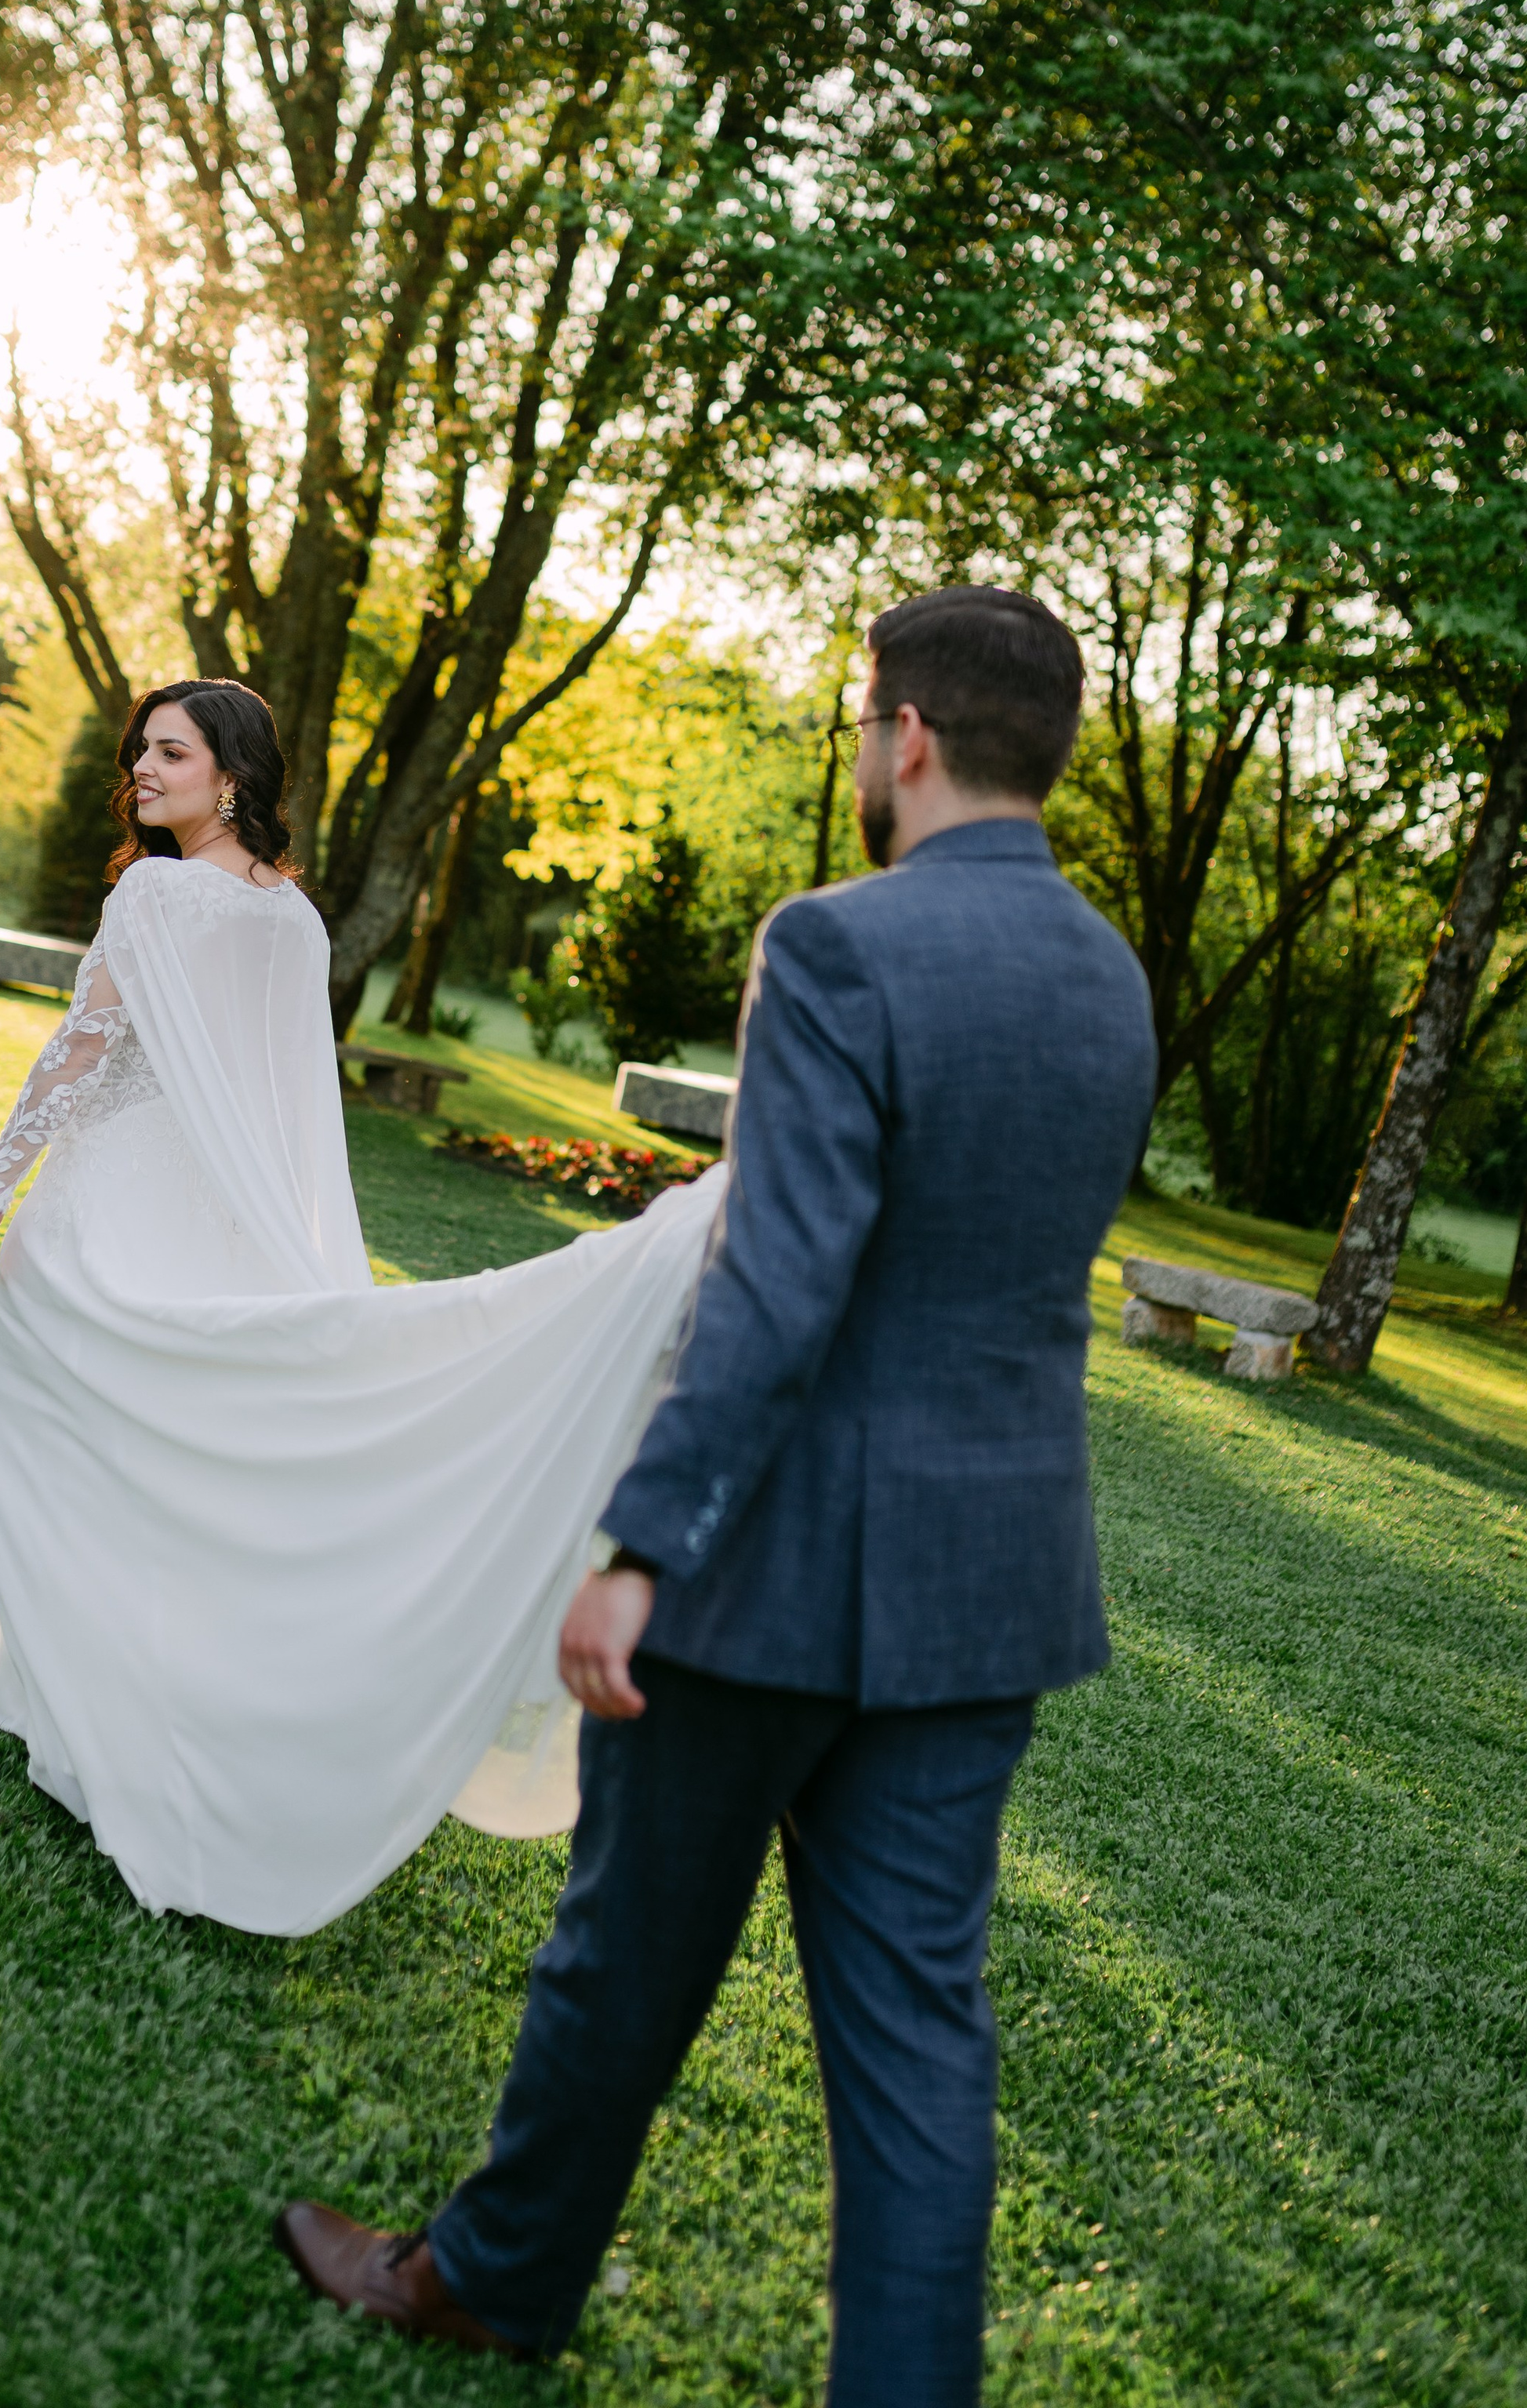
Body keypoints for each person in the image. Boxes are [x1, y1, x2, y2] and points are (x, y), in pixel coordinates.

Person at [277, 587, 1158, 2405]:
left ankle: (494, 2280)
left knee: (620, 1968)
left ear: (903, 735)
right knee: (919, 2041)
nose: (859, 757)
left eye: (857, 726)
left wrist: (640, 1545)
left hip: (760, 1573)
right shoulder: (1106, 976)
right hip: (986, 1589)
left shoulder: (836, 946)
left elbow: (774, 1279)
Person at [0, 677, 725, 1935]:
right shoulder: (298, 919)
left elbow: (83, 1049)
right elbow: (288, 1107)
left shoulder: (152, 893)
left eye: (170, 753)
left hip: (111, 1210)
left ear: (235, 778)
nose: (140, 771)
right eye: (139, 752)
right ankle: (47, 1682)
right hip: (222, 1223)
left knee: (42, 1435)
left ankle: (73, 1703)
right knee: (166, 1467)